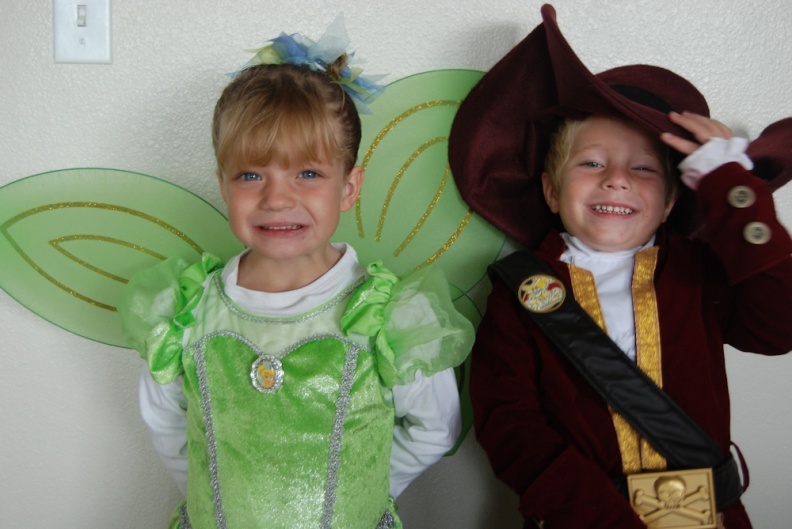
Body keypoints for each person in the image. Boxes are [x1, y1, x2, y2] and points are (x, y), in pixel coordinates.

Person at [448, 4, 792, 529]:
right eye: (591, 162)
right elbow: (510, 426)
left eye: (643, 168)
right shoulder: (519, 292)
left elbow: (779, 326)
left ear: (671, 202)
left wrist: (731, 187)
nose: (616, 179)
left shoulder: (699, 274)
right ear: (551, 191)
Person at [119, 22, 473, 529]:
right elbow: (166, 420)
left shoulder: (387, 317)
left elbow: (435, 427)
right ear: (223, 185)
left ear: (348, 188)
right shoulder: (186, 312)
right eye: (251, 175)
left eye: (308, 174)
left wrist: (362, 490)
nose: (277, 198)